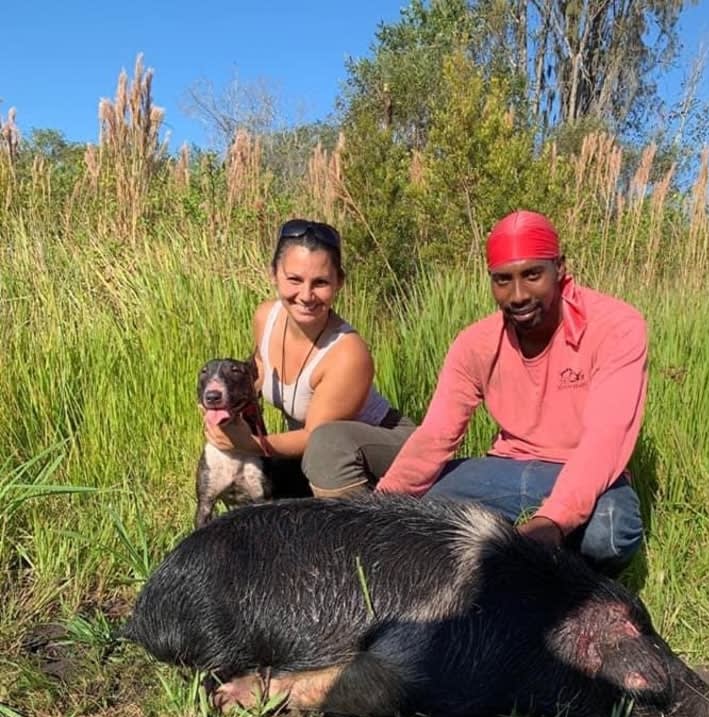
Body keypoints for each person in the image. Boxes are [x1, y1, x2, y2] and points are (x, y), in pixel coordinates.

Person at [376, 209, 647, 573]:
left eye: (532, 275)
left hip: (585, 473)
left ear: (560, 269)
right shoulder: (475, 343)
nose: (517, 295)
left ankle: (554, 575)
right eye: (503, 280)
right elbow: (437, 434)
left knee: (608, 535)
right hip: (503, 471)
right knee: (413, 513)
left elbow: (606, 439)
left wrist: (552, 521)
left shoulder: (616, 326)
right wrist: (377, 510)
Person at [204, 219, 415, 497]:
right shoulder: (265, 317)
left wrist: (251, 445)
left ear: (339, 282)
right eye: (294, 279)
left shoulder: (347, 352)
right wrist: (222, 406)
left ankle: (352, 532)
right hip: (317, 453)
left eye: (320, 283)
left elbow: (314, 436)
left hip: (385, 444)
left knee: (325, 448)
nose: (306, 295)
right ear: (274, 274)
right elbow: (255, 376)